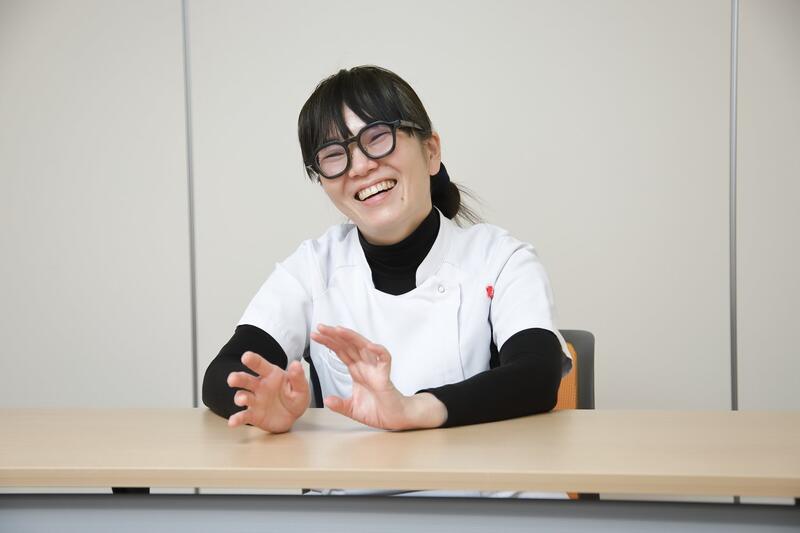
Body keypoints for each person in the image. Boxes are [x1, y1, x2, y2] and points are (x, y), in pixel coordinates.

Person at [202, 65, 573, 494]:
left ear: (431, 151)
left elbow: (537, 374)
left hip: (487, 502)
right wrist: (263, 404)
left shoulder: (500, 258)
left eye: (378, 137)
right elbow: (223, 372)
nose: (359, 166)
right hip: (353, 506)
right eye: (333, 154)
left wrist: (412, 410)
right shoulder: (312, 268)